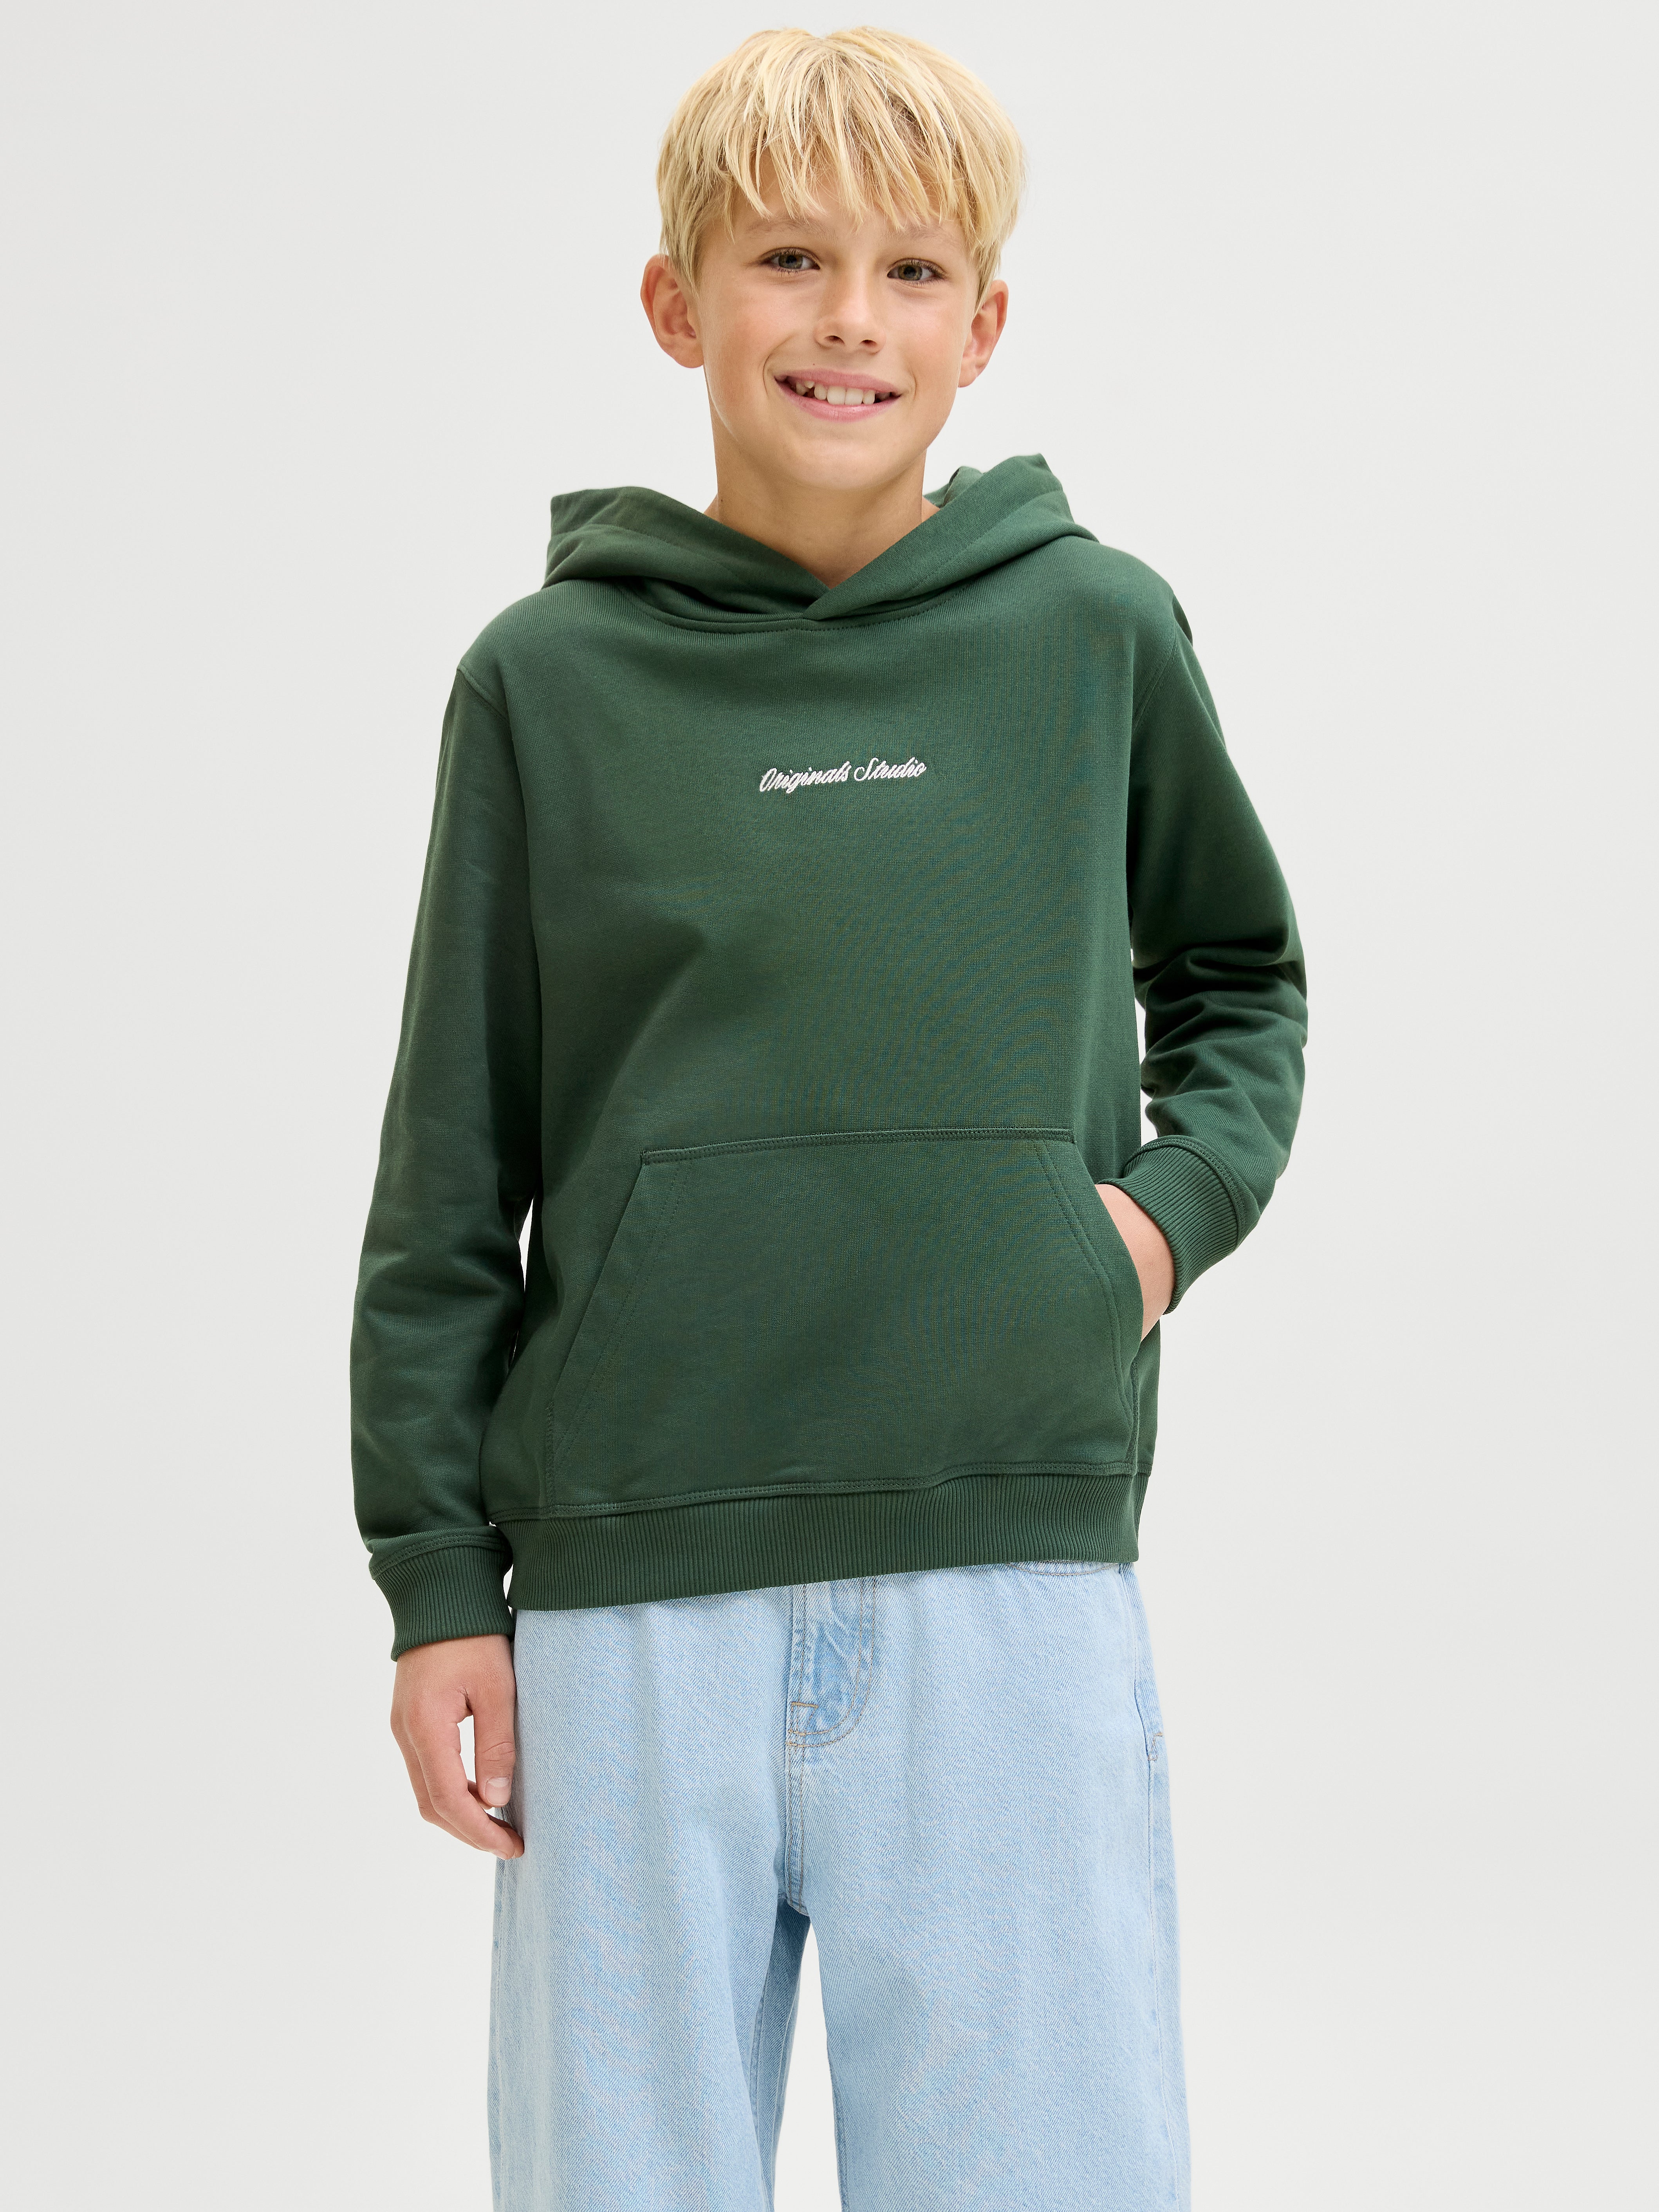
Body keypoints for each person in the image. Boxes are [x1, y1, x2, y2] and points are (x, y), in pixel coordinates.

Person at [350, 25, 1307, 2210]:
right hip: (626, 1600)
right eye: (788, 258)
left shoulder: (1093, 634)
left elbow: (1243, 982)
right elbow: (450, 1164)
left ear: (987, 323)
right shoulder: (546, 682)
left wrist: (1145, 1232)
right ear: (676, 300)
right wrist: (435, 1585)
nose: (848, 319)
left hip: (1009, 1570)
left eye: (909, 270)